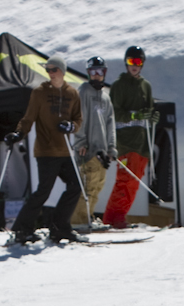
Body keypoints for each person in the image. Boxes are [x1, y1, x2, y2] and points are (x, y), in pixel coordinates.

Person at [6, 55, 84, 244]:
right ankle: (22, 230)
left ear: (62, 71)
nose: (50, 73)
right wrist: (18, 134)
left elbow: (78, 121)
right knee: (43, 191)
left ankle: (59, 227)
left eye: (53, 69)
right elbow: (28, 118)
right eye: (47, 70)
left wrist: (71, 127)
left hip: (65, 151)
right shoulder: (39, 93)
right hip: (46, 151)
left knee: (76, 185)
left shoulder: (72, 94)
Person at [105, 45, 158, 229]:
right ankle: (113, 217)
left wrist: (152, 117)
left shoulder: (146, 86)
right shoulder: (119, 86)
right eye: (130, 61)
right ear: (125, 63)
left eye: (137, 62)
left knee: (134, 182)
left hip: (141, 143)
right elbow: (114, 114)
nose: (134, 65)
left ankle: (118, 217)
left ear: (142, 63)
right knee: (124, 180)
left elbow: (149, 111)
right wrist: (135, 116)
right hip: (125, 142)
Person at [75, 55, 118, 227]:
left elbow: (110, 124)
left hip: (102, 151)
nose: (96, 75)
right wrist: (80, 143)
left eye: (100, 71)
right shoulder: (84, 92)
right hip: (88, 148)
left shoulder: (106, 97)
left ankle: (88, 216)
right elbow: (78, 118)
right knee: (89, 185)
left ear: (104, 73)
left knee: (98, 185)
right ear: (88, 73)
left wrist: (112, 148)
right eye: (93, 72)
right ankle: (78, 220)